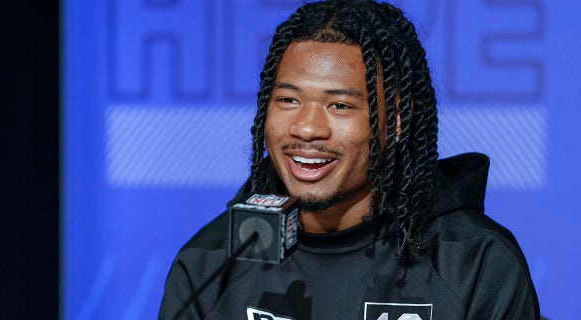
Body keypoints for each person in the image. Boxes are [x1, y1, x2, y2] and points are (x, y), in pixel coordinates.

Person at [159, 0, 540, 319]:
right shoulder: (211, 263)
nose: (306, 129)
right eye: (288, 100)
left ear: (396, 119)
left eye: (339, 105)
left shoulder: (474, 264)